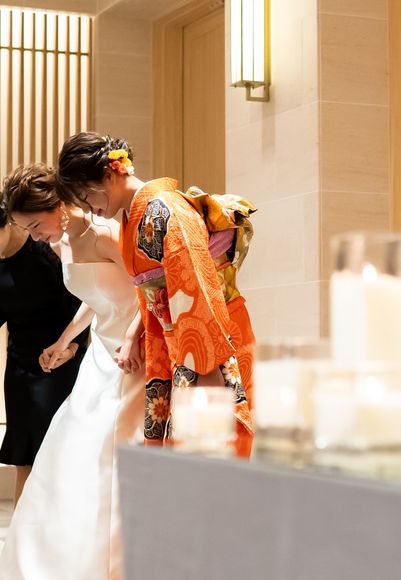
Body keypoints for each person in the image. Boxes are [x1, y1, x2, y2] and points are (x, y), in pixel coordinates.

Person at [55, 132, 255, 457]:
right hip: (179, 344)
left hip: (207, 343)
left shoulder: (166, 209)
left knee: (211, 450)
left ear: (110, 172)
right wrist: (135, 336)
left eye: (87, 196)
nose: (90, 208)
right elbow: (152, 292)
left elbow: (194, 288)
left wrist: (208, 374)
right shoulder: (134, 215)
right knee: (182, 454)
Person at [0, 163, 145, 580]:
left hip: (132, 352)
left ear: (56, 205)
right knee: (73, 445)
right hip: (99, 353)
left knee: (113, 449)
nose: (33, 236)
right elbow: (95, 299)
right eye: (25, 229)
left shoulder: (105, 233)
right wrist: (65, 340)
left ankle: (119, 555)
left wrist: (132, 336)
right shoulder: (63, 242)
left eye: (34, 225)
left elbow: (150, 288)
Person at [0, 202, 86, 506]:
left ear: (5, 224)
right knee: (24, 456)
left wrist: (73, 347)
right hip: (19, 367)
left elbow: (82, 302)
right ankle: (23, 529)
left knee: (55, 452)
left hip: (60, 361)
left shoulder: (44, 249)